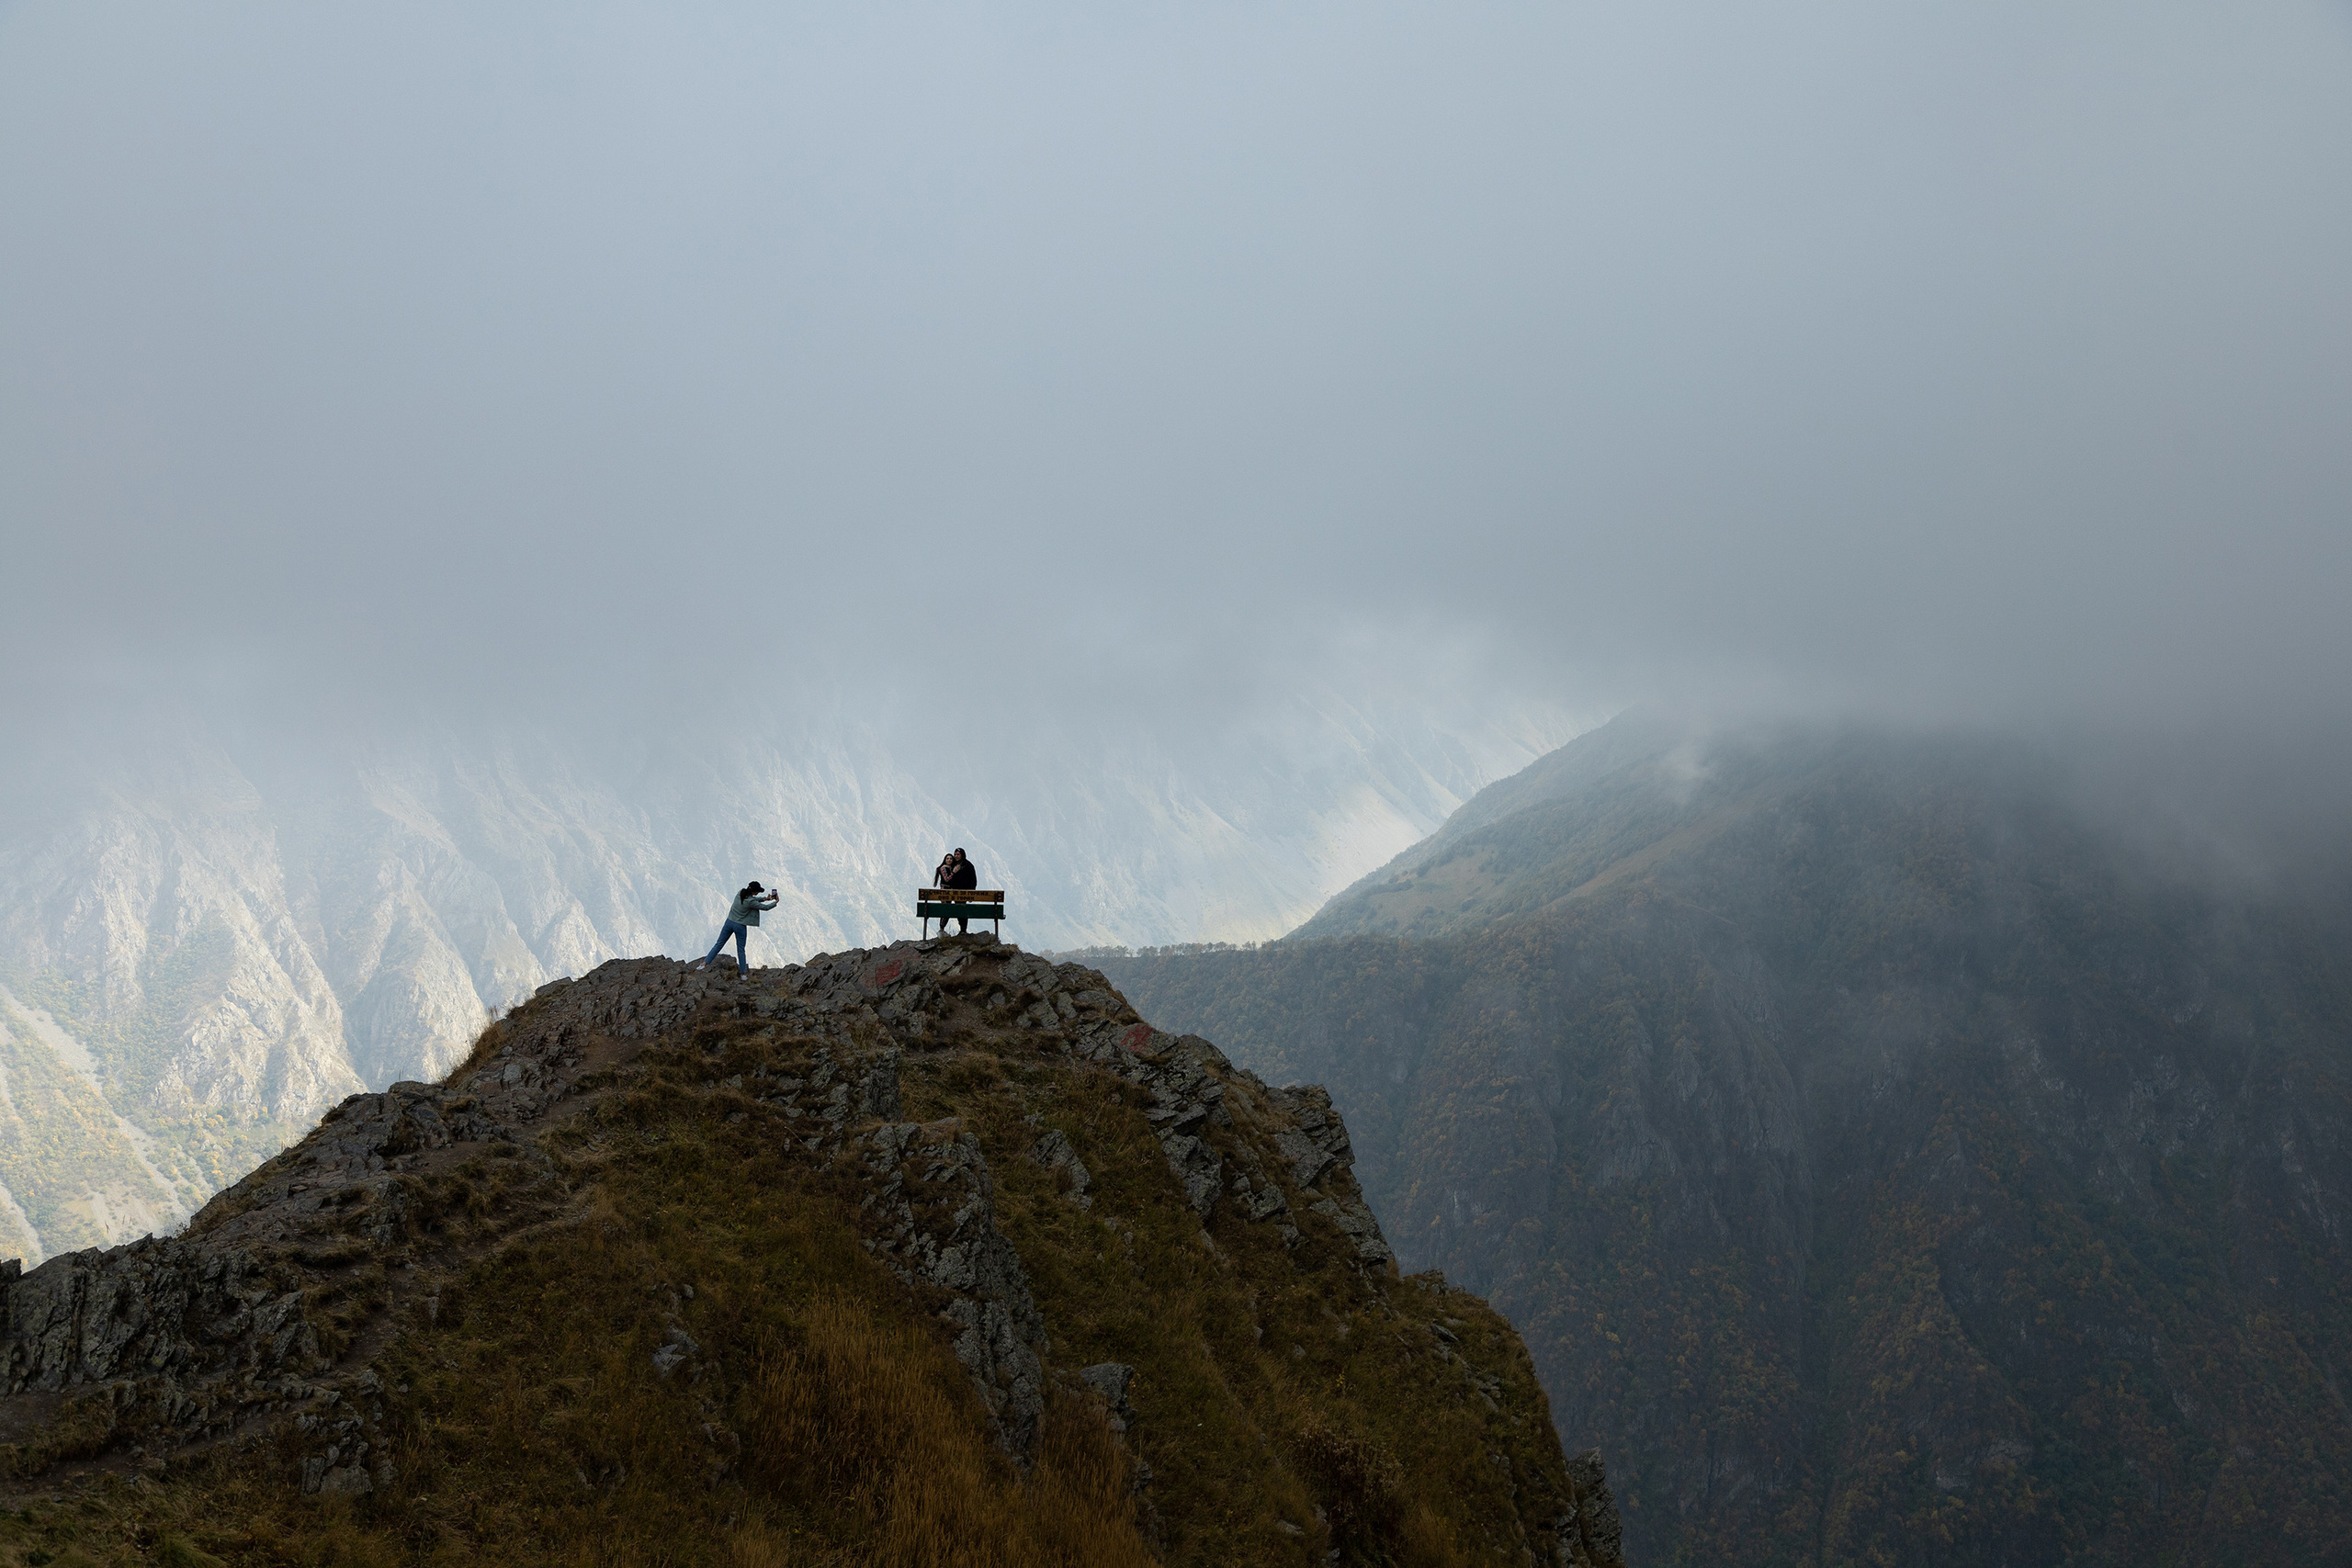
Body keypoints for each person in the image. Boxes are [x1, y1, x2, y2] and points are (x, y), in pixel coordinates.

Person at [695, 880, 779, 974]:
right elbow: (765, 908)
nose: (758, 893)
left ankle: (703, 964)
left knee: (718, 944)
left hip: (729, 922)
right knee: (740, 950)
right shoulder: (750, 902)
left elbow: (752, 899)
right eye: (757, 891)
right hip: (740, 926)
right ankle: (743, 974)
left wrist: (764, 899)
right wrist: (775, 902)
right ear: (754, 892)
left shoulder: (740, 893)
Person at [934, 848, 980, 935]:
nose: (956, 856)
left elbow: (973, 880)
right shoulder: (954, 865)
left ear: (962, 855)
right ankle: (959, 929)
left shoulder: (968, 865)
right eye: (955, 854)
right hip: (954, 892)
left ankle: (963, 929)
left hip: (962, 892)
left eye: (958, 854)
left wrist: (971, 892)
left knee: (961, 910)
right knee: (956, 909)